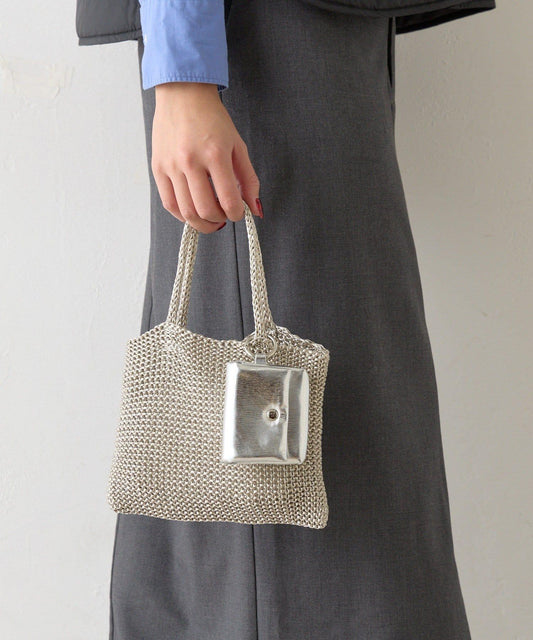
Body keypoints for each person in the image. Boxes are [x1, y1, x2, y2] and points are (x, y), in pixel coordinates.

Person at [76, 1, 496, 638]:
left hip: (324, 22)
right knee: (266, 453)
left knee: (356, 397)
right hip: (250, 30)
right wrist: (184, 73)